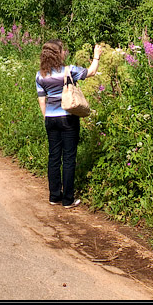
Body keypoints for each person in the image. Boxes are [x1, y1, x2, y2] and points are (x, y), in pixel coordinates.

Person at [35, 40, 101, 208]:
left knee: (54, 157)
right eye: (63, 50)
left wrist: (47, 118)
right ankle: (68, 199)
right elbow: (92, 72)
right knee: (69, 158)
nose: (65, 53)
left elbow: (42, 100)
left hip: (50, 118)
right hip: (68, 117)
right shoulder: (69, 70)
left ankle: (54, 196)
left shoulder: (40, 75)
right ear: (58, 54)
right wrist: (96, 56)